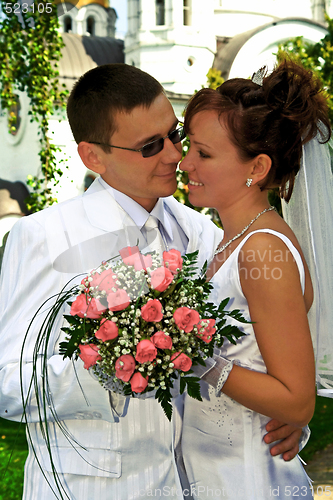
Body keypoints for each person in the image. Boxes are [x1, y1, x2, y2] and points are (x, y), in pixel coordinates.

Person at [0, 63, 304, 500]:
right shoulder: (43, 236)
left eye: (174, 134)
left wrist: (287, 416)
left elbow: (260, 341)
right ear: (93, 157)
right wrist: (116, 365)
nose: (174, 155)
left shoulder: (205, 233)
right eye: (149, 146)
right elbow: (8, 383)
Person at [179, 59, 331, 499]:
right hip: (214, 472)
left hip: (247, 480)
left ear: (257, 167)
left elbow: (297, 400)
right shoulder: (229, 241)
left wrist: (195, 357)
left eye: (204, 154)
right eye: (190, 146)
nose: (186, 163)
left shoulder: (263, 249)